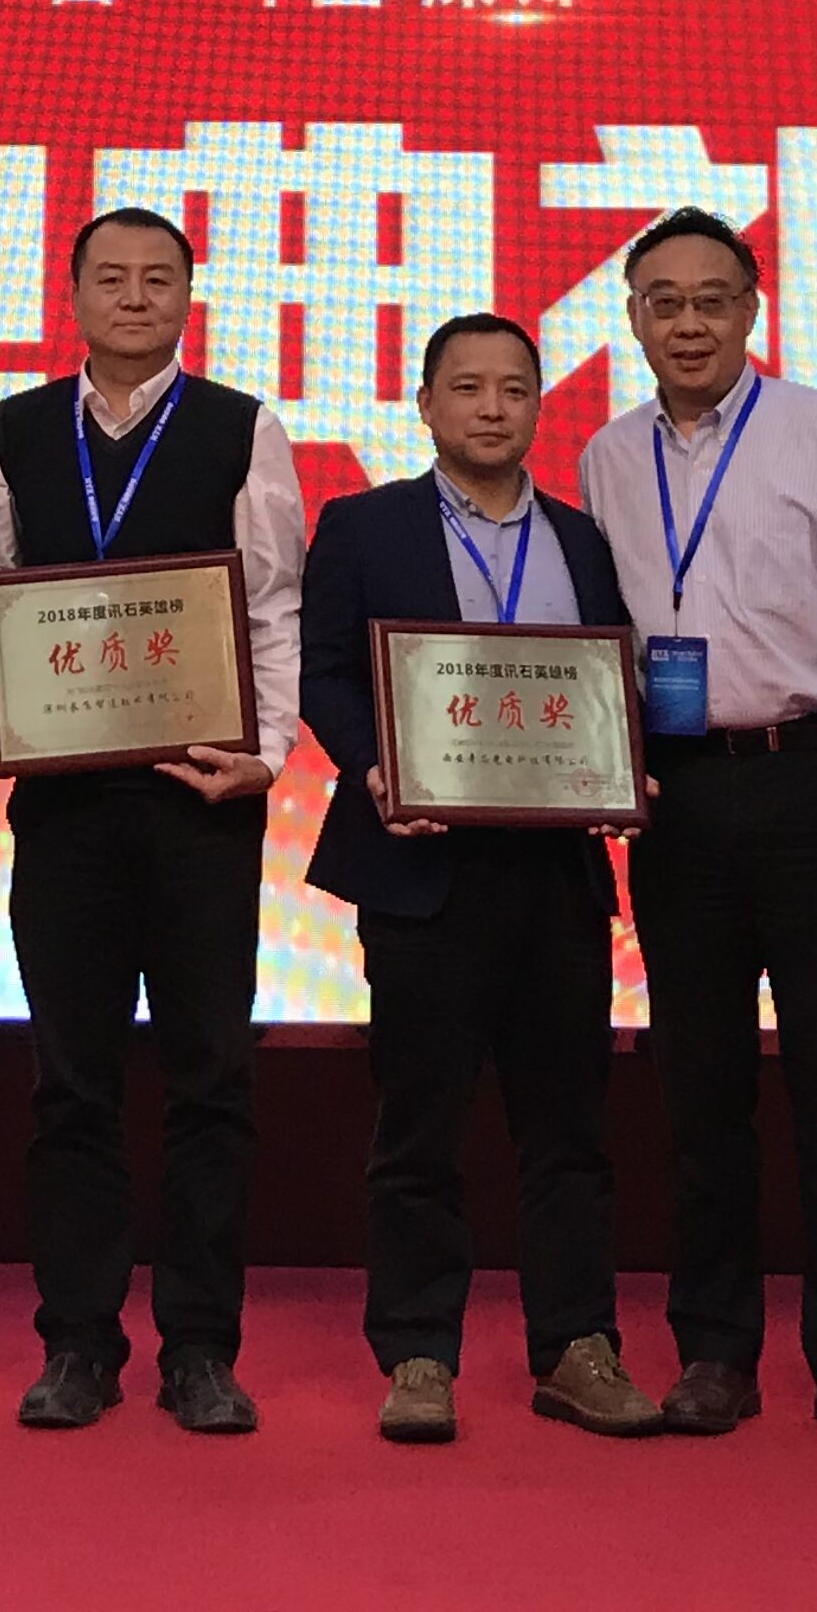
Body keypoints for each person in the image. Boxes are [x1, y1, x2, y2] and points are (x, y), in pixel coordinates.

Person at [575, 207, 817, 1449]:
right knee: (700, 1088)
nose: (689, 324)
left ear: (750, 311)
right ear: (633, 319)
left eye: (711, 300)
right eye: (663, 303)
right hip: (679, 797)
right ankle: (715, 1351)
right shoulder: (607, 456)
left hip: (815, 783)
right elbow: (603, 641)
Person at [299, 312, 660, 1446]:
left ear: (539, 405)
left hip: (555, 873)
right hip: (422, 869)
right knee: (419, 1126)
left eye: (514, 388)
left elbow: (609, 683)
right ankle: (417, 1353)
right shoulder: (364, 525)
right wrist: (377, 767)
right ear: (425, 406)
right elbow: (323, 672)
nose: (492, 407)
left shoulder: (584, 541)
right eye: (467, 388)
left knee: (570, 1128)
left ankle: (577, 1347)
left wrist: (625, 762)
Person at [0, 206, 308, 1437]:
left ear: (187, 297)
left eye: (156, 279)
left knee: (210, 1078)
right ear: (71, 296)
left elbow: (272, 602)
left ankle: (202, 1348)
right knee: (70, 1082)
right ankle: (77, 1341)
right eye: (108, 278)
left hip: (197, 800)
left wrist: (267, 755)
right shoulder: (17, 427)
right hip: (64, 805)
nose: (132, 297)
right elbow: (0, 583)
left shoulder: (239, 425)